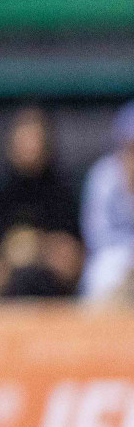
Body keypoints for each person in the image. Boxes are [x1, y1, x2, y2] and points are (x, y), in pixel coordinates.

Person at [0, 106, 82, 299]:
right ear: (12, 144)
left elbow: (71, 261)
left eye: (36, 139)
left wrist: (36, 247)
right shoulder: (1, 192)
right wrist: (13, 255)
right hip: (11, 291)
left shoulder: (62, 191)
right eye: (25, 140)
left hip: (55, 291)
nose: (31, 147)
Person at [80, 101, 134, 301]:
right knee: (103, 273)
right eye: (130, 146)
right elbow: (96, 237)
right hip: (114, 258)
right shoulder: (104, 175)